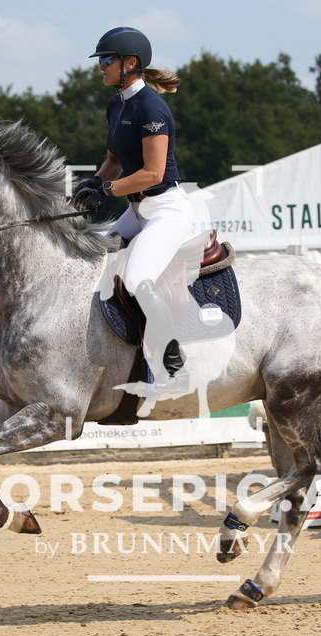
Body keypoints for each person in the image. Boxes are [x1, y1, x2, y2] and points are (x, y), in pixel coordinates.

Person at [74, 27, 197, 391]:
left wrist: (108, 190)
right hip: (137, 211)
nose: (101, 66)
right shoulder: (117, 104)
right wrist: (94, 183)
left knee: (136, 278)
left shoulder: (151, 107)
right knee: (93, 258)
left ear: (130, 64)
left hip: (166, 210)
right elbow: (115, 159)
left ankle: (175, 366)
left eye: (106, 60)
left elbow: (153, 173)